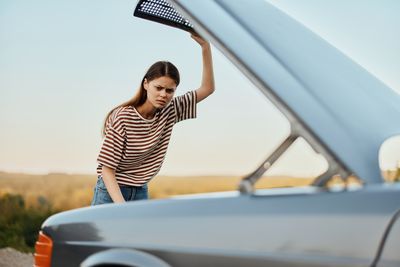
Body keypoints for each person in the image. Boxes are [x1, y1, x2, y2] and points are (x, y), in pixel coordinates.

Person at [91, 33, 214, 205]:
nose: (163, 94)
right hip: (111, 190)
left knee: (136, 233)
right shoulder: (123, 117)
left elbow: (207, 88)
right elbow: (107, 168)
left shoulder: (170, 110)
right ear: (146, 84)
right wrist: (122, 206)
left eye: (169, 90)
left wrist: (205, 47)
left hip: (141, 189)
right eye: (159, 88)